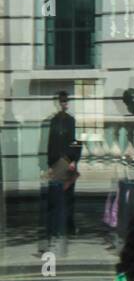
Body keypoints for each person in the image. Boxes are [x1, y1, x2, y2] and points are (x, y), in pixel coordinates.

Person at [44, 90, 81, 248]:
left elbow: (75, 141)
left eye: (66, 101)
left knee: (68, 197)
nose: (64, 104)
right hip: (57, 163)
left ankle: (69, 227)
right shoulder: (53, 121)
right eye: (62, 101)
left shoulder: (71, 120)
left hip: (68, 163)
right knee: (56, 197)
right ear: (58, 103)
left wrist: (73, 160)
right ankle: (56, 229)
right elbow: (50, 143)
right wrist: (50, 164)